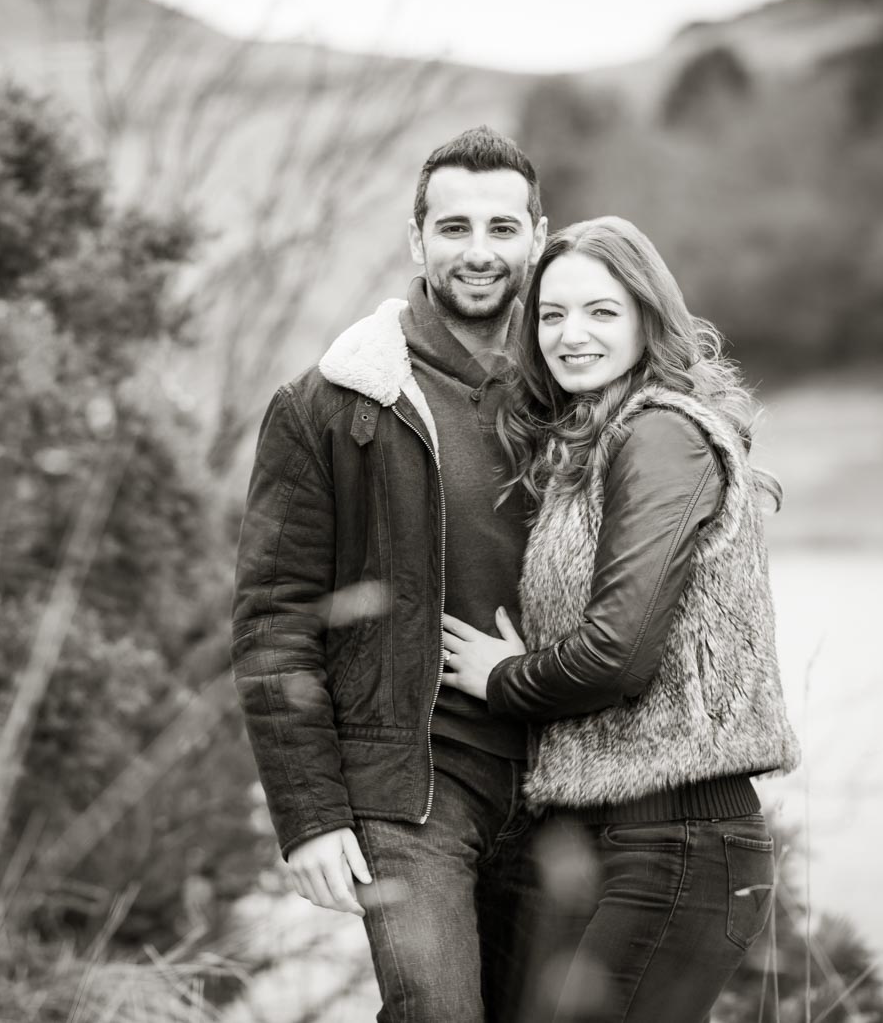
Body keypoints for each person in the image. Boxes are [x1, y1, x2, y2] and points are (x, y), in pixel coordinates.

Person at [438, 216, 802, 1022]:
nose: (572, 335)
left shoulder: (663, 434)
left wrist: (504, 678)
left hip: (677, 842)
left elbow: (618, 652)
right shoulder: (589, 442)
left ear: (647, 315)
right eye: (553, 314)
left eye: (601, 311)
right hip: (600, 836)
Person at [231, 126, 548, 1023]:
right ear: (417, 241)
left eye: (500, 227)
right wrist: (309, 812)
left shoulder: (576, 392)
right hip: (411, 785)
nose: (478, 251)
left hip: (563, 773)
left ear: (537, 235)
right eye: (453, 228)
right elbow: (274, 619)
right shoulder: (328, 402)